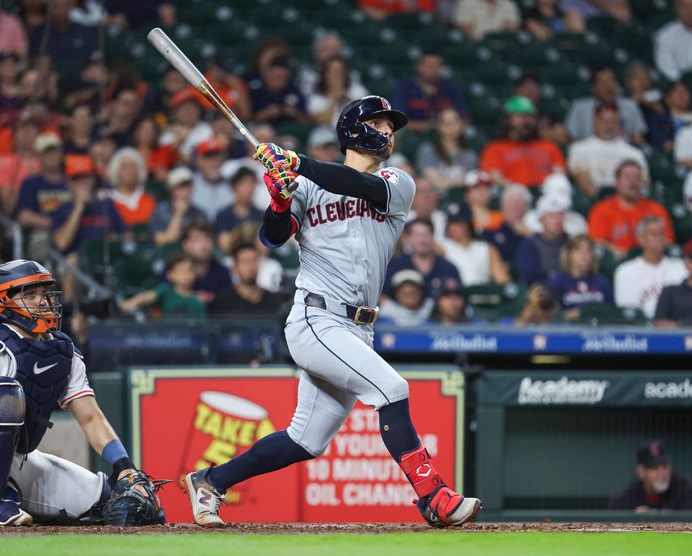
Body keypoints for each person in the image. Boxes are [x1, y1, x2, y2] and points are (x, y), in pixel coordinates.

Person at [183, 95, 482, 528]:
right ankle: (433, 496)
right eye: (379, 124)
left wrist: (295, 161)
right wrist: (282, 200)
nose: (388, 133)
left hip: (359, 326)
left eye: (390, 127)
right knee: (392, 389)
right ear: (354, 129)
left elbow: (357, 185)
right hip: (316, 317)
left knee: (306, 441)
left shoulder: (397, 182)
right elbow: (272, 237)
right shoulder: (306, 183)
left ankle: (210, 480)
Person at [0, 259, 164, 526]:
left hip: (17, 460)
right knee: (3, 394)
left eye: (45, 293)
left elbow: (91, 418)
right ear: (3, 300)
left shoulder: (63, 351)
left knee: (117, 505)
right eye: (30, 294)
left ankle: (9, 496)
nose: (42, 301)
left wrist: (125, 468)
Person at [588, 160, 674, 259]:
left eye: (637, 178)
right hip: (619, 261)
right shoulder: (602, 209)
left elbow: (668, 240)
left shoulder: (656, 209)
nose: (633, 182)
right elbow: (596, 241)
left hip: (651, 260)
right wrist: (615, 250)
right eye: (627, 177)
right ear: (617, 182)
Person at [567, 102, 649, 199]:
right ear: (594, 121)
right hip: (597, 200)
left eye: (613, 121)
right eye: (604, 121)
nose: (609, 125)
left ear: (619, 123)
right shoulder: (579, 149)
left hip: (629, 201)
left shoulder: (634, 153)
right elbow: (582, 181)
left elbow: (645, 183)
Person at [480, 96, 566, 188]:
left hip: (547, 195)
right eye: (521, 116)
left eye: (530, 116)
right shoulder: (494, 149)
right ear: (508, 120)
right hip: (512, 194)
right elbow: (495, 177)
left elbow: (560, 175)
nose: (527, 121)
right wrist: (516, 190)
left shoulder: (550, 147)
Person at [614, 216, 688, 319]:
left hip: (676, 326)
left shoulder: (681, 267)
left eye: (661, 234)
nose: (659, 238)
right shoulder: (625, 271)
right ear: (641, 239)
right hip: (643, 330)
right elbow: (628, 313)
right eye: (653, 234)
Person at [50, 155, 127, 255]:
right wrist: (79, 207)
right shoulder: (62, 209)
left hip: (104, 259)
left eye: (86, 177)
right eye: (76, 179)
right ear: (69, 183)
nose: (82, 183)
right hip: (75, 263)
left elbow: (125, 236)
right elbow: (61, 243)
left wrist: (114, 240)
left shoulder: (106, 205)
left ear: (93, 180)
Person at [565, 66, 647, 144]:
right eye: (602, 82)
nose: (608, 86)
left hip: (622, 153)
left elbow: (638, 139)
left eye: (611, 81)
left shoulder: (630, 106)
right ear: (593, 87)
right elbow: (571, 138)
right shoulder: (580, 108)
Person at [383, 218, 462, 300]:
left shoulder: (448, 267)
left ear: (433, 237)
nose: (422, 240)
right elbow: (383, 297)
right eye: (417, 235)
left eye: (426, 234)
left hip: (437, 312)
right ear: (408, 239)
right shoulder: (395, 266)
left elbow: (458, 297)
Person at [391, 52, 469, 133]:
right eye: (428, 65)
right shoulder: (404, 87)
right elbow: (397, 119)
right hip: (413, 135)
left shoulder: (450, 88)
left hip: (446, 134)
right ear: (418, 66)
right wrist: (428, 127)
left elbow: (464, 117)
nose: (432, 69)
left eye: (436, 66)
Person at [609, 440, 692, 511]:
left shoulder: (681, 489)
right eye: (654, 468)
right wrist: (633, 520)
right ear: (641, 472)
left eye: (665, 466)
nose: (662, 473)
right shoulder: (625, 499)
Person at [208, 244, 289, 318]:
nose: (251, 267)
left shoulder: (275, 301)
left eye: (254, 261)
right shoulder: (221, 303)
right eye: (245, 262)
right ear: (235, 268)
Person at [442, 202, 511, 286]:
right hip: (454, 294)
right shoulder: (441, 247)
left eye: (458, 223)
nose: (453, 228)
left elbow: (503, 281)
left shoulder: (485, 248)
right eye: (450, 223)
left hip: (482, 294)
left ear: (468, 224)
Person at [119, 253, 206, 318]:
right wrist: (132, 302)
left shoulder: (198, 302)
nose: (186, 275)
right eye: (182, 271)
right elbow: (149, 296)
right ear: (170, 275)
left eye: (189, 271)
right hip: (166, 338)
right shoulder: (166, 290)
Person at [547, 235, 613, 320]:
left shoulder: (602, 282)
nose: (584, 255)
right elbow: (551, 314)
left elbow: (611, 311)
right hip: (569, 329)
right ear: (570, 254)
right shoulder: (558, 281)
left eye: (588, 250)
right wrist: (571, 315)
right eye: (578, 250)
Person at [415, 108, 478, 192]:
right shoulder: (428, 150)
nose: (450, 127)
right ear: (438, 126)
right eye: (446, 123)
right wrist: (459, 182)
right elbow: (434, 181)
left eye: (454, 122)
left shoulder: (470, 156)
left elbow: (470, 183)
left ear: (461, 125)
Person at [514, 195, 568, 286]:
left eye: (560, 215)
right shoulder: (529, 245)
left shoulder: (572, 243)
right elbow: (529, 277)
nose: (557, 220)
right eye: (552, 216)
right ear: (541, 220)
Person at [150, 166, 208, 247]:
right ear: (171, 190)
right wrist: (178, 214)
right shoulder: (160, 210)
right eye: (180, 186)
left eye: (188, 185)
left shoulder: (200, 213)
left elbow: (204, 243)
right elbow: (163, 242)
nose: (185, 190)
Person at [215, 167, 265, 255]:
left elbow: (264, 251)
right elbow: (225, 247)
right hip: (232, 259)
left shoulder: (260, 215)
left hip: (255, 258)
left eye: (252, 184)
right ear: (235, 186)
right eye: (244, 184)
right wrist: (241, 232)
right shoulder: (224, 215)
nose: (249, 189)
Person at [307, 56, 368, 127]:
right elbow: (322, 120)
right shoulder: (316, 97)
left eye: (340, 71)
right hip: (326, 134)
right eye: (333, 71)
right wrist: (334, 100)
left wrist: (347, 99)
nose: (337, 75)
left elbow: (369, 115)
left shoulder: (357, 90)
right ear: (325, 75)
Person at [482, 185, 533, 267]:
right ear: (502, 207)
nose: (514, 208)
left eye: (519, 204)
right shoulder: (490, 233)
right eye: (510, 203)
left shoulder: (534, 232)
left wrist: (530, 235)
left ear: (526, 209)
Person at [180, 221, 231, 303]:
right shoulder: (172, 271)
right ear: (185, 244)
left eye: (208, 239)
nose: (203, 244)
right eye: (197, 239)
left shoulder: (223, 273)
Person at [107, 147, 156, 227]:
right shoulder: (107, 199)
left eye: (132, 167)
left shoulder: (151, 197)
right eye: (124, 167)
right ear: (116, 170)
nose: (128, 171)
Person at [454, 0, 521, 41]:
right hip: (477, 42)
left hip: (502, 42)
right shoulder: (467, 3)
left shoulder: (508, 4)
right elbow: (465, 26)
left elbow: (513, 27)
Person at [407, 177, 447, 244]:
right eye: (422, 192)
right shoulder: (403, 221)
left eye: (430, 191)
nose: (427, 196)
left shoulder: (446, 219)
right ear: (412, 198)